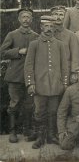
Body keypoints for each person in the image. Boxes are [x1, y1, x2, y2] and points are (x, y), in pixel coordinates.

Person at [24, 15, 68, 149]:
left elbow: (64, 66)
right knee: (39, 111)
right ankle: (40, 137)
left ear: (54, 28)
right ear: (41, 27)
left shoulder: (60, 45)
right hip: (40, 85)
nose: (48, 29)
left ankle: (51, 136)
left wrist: (64, 83)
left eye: (51, 27)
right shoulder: (34, 44)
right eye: (46, 26)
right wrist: (30, 83)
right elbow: (28, 65)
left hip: (55, 85)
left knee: (53, 111)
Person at [0, 8, 39, 143]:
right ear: (19, 19)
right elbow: (3, 52)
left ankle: (27, 130)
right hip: (15, 76)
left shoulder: (36, 36)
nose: (26, 19)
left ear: (32, 20)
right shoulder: (12, 34)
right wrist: (18, 51)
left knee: (29, 104)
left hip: (30, 77)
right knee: (15, 103)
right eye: (23, 17)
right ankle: (13, 132)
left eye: (28, 17)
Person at [51, 5, 79, 82]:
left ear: (64, 17)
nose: (58, 17)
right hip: (50, 70)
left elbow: (75, 55)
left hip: (66, 70)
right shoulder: (47, 33)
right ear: (51, 16)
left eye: (61, 15)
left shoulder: (71, 35)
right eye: (55, 14)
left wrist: (74, 72)